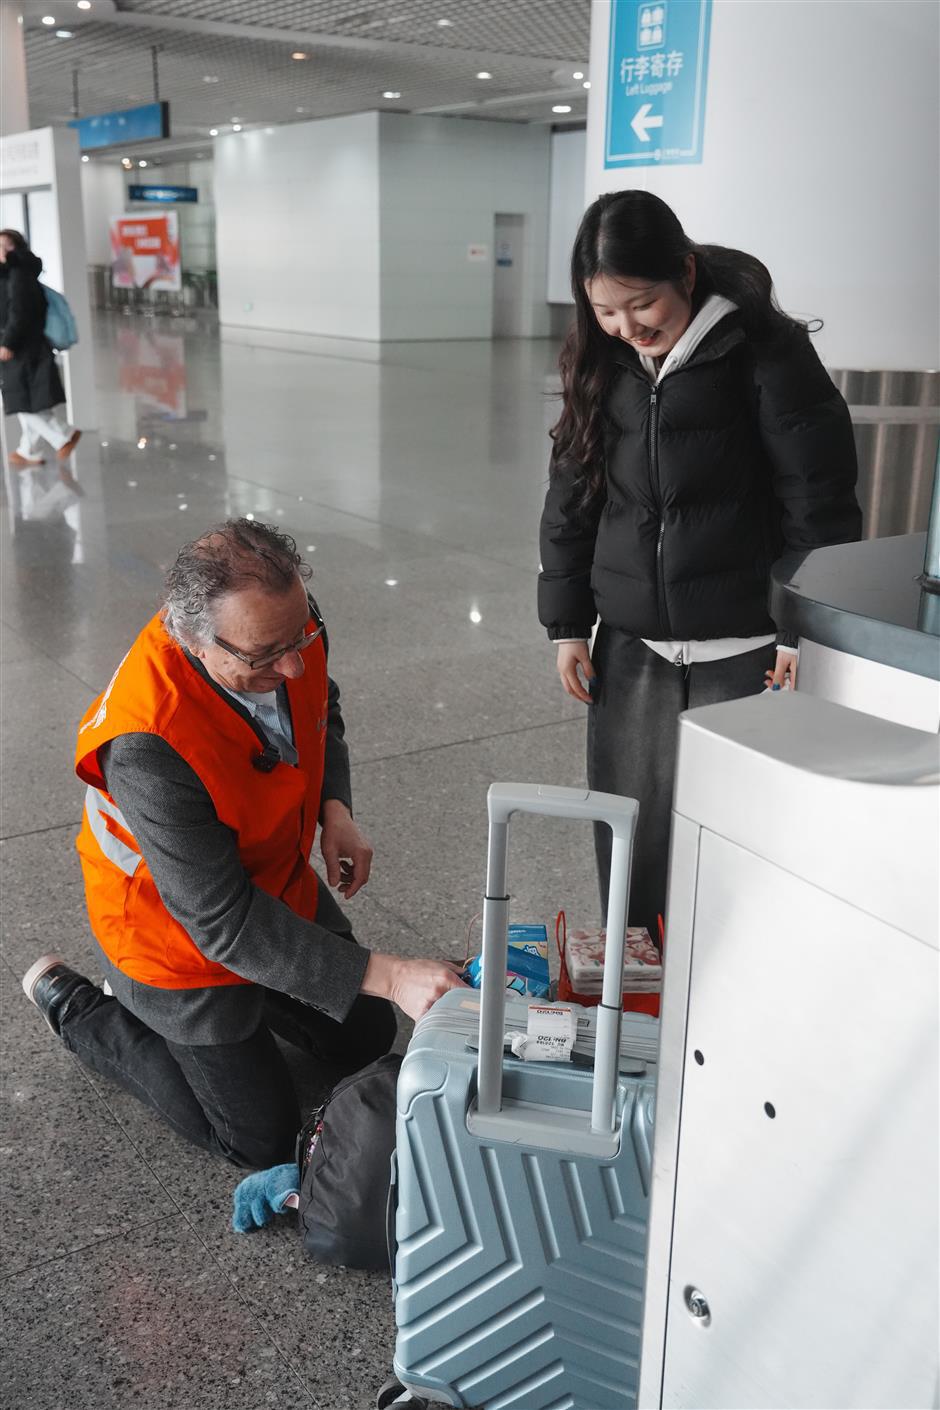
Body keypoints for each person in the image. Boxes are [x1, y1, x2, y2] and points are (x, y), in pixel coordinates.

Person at [22, 519, 465, 1169]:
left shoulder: (284, 626)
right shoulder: (147, 741)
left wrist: (335, 809)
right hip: (172, 934)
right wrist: (393, 973)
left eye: (299, 639)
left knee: (365, 1037)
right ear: (193, 640)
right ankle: (82, 1007)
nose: (292, 665)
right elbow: (222, 922)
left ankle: (258, 995)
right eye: (265, 657)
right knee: (260, 1141)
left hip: (268, 880)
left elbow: (321, 707)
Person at [539, 191, 861, 938]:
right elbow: (572, 496)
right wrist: (567, 624)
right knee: (631, 848)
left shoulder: (766, 353)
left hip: (744, 649)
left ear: (684, 272)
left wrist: (801, 630)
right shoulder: (603, 360)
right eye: (605, 311)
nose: (627, 327)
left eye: (641, 304)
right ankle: (638, 986)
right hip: (632, 651)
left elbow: (818, 501)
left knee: (740, 851)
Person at [0, 228, 81, 468]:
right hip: (28, 345)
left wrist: (8, 342)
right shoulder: (14, 272)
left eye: (6, 245)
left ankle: (64, 435)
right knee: (29, 399)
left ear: (17, 248)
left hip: (22, 347)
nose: (1, 250)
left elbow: (20, 313)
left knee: (20, 400)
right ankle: (29, 451)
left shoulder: (18, 274)